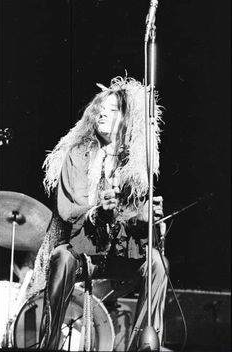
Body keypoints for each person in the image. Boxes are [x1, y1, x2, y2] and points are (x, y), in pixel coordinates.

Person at [28, 76, 168, 350]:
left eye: (113, 109)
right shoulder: (77, 155)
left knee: (156, 262)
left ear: (128, 120)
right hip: (83, 254)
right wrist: (96, 213)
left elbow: (134, 223)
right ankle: (50, 344)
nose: (103, 112)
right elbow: (70, 211)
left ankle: (143, 346)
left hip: (119, 257)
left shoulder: (136, 166)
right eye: (101, 108)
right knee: (62, 258)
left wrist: (147, 217)